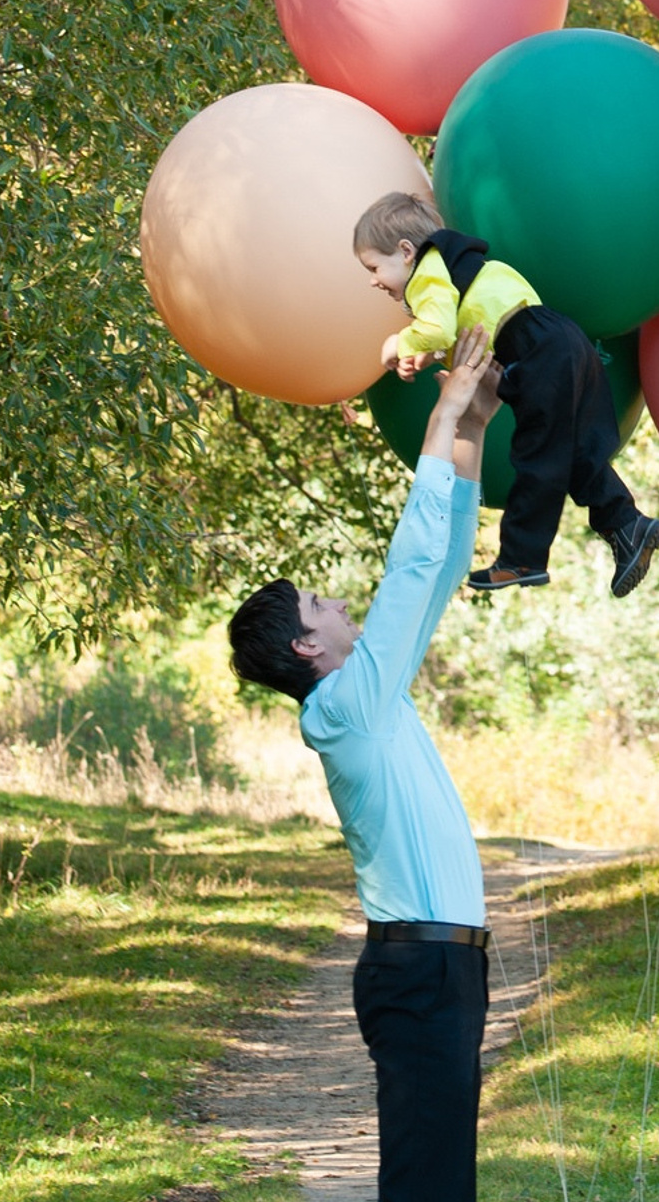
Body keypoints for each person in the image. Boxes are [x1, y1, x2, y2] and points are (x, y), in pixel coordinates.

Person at [228, 329, 501, 1202]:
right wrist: (442, 413)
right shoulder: (345, 710)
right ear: (307, 646)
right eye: (321, 602)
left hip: (444, 968)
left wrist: (474, 430)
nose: (341, 600)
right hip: (421, 972)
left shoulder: (370, 698)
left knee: (440, 1180)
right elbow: (410, 565)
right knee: (426, 1185)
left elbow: (441, 569)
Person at [353, 189, 659, 597]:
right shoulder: (458, 266)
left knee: (537, 454)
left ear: (406, 251)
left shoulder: (428, 271)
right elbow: (469, 324)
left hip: (536, 352)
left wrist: (400, 343)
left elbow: (439, 327)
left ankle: (522, 558)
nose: (373, 281)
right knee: (573, 452)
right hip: (561, 340)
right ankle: (627, 525)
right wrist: (430, 352)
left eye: (374, 267)